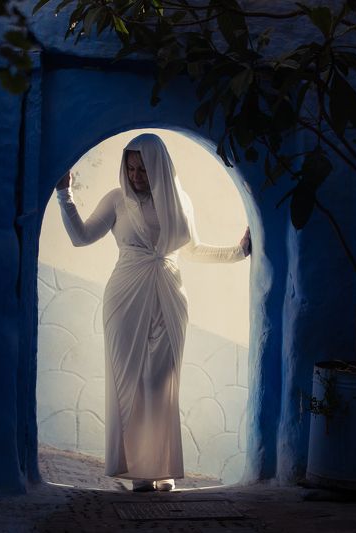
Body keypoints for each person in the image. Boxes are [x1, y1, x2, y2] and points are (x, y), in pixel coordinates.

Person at [54, 133, 251, 492]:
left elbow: (192, 249)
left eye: (142, 169)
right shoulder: (116, 200)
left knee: (161, 384)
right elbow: (80, 237)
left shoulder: (179, 201)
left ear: (158, 165)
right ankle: (137, 472)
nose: (135, 176)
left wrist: (237, 252)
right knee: (128, 381)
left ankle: (161, 468)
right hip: (124, 298)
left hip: (170, 296)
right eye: (130, 168)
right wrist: (64, 194)